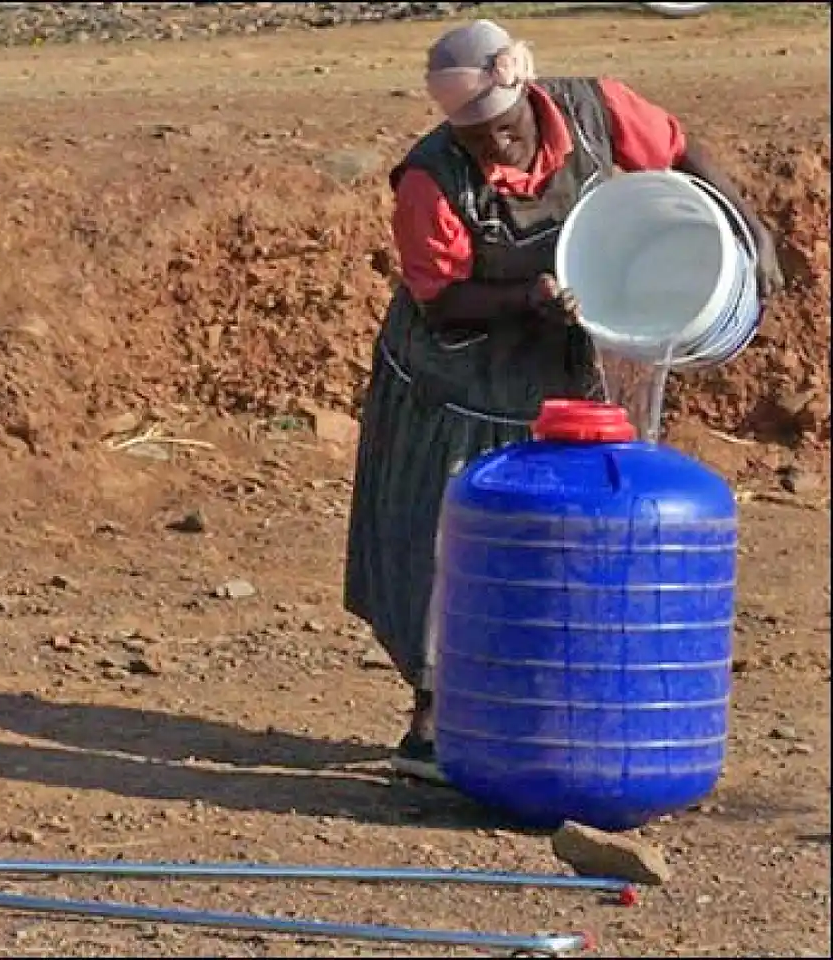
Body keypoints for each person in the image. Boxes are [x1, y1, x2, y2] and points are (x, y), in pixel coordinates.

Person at [344, 19, 783, 784]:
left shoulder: (593, 110)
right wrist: (525, 297)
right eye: (473, 139)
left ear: (528, 98)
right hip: (458, 385)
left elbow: (678, 152)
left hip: (555, 357)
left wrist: (746, 222)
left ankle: (536, 713)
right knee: (446, 547)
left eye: (502, 130)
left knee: (551, 544)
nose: (494, 150)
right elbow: (443, 300)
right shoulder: (430, 179)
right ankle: (430, 726)